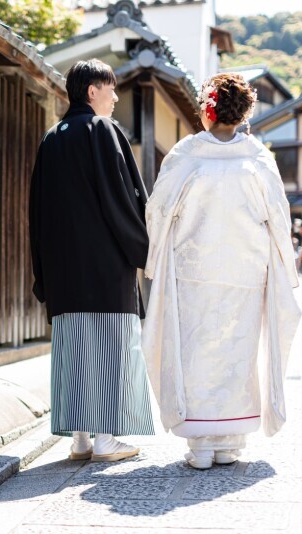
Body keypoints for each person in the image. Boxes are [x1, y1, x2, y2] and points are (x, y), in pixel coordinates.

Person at [142, 73, 301, 469]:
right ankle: (230, 440)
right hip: (246, 270)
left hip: (194, 269)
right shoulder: (257, 158)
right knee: (238, 351)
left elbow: (159, 209)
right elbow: (278, 217)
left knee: (196, 351)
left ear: (205, 109)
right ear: (243, 112)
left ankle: (203, 443)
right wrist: (282, 262)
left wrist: (157, 251)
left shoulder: (186, 154)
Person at [29, 59, 154, 462]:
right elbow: (124, 195)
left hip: (64, 269)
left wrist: (44, 272)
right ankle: (106, 438)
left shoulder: (52, 137)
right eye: (110, 88)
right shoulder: (102, 130)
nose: (116, 97)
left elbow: (37, 212)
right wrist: (143, 245)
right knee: (110, 346)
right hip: (103, 265)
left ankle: (80, 439)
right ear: (91, 91)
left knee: (77, 349)